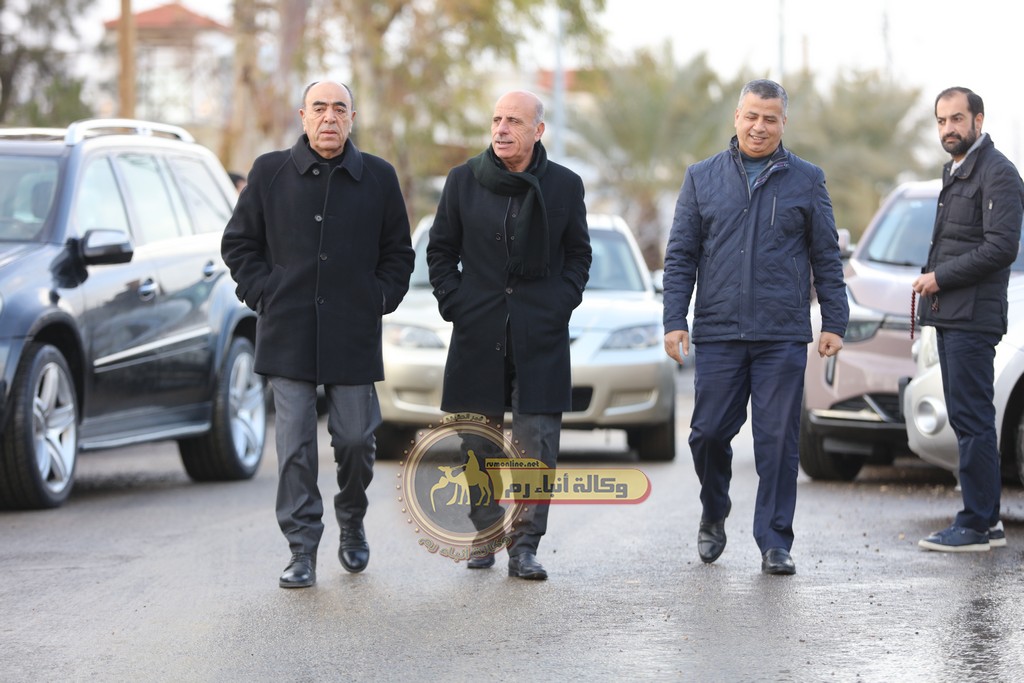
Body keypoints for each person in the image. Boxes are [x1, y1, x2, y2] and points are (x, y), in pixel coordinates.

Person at [221, 80, 415, 588]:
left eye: (339, 109)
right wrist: (264, 293)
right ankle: (301, 548)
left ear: (352, 118)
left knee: (355, 440)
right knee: (294, 448)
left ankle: (351, 519)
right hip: (287, 330)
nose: (329, 117)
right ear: (302, 116)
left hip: (353, 331)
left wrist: (378, 298)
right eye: (320, 108)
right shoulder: (269, 172)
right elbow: (239, 244)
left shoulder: (378, 176)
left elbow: (399, 253)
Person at [662, 79, 849, 575]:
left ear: (784, 122)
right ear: (736, 117)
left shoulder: (807, 179)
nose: (759, 126)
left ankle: (774, 541)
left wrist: (835, 320)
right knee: (706, 434)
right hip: (719, 331)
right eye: (751, 116)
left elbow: (826, 255)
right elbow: (680, 255)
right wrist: (674, 319)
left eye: (770, 118)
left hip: (781, 334)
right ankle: (714, 509)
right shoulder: (701, 177)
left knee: (777, 442)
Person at [426, 90, 591, 580]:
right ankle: (485, 533)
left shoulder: (564, 185)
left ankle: (524, 547)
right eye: (497, 119)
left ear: (538, 130)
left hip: (540, 334)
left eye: (514, 121)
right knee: (477, 443)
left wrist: (559, 304)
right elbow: (440, 251)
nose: (501, 129)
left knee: (537, 445)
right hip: (477, 331)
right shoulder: (463, 180)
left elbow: (578, 255)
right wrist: (456, 303)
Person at [914, 87, 1024, 552]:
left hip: (974, 318)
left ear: (978, 120)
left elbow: (1001, 247)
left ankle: (977, 523)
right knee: (964, 417)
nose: (948, 129)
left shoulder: (997, 172)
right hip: (952, 315)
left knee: (974, 419)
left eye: (957, 119)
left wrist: (939, 277)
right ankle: (986, 520)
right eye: (941, 121)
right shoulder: (957, 170)